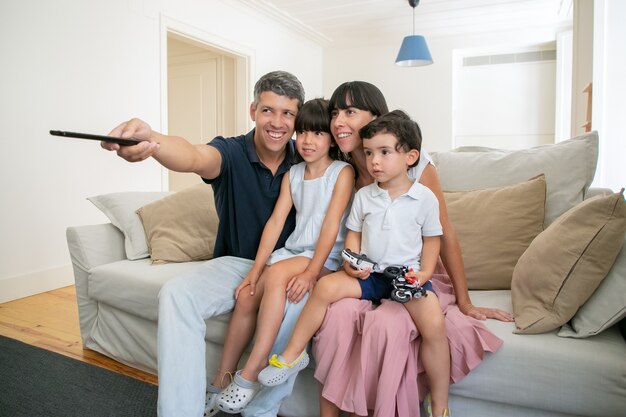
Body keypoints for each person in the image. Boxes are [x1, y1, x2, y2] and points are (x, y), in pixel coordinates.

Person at [102, 71, 312, 417]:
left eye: (287, 113)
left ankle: (254, 404)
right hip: (235, 264)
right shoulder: (230, 152)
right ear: (253, 111)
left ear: (298, 117)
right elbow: (192, 156)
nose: (277, 122)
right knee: (175, 294)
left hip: (288, 268)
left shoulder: (307, 158)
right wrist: (151, 139)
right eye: (268, 111)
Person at [311, 81, 513, 417]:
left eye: (350, 112)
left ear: (377, 118)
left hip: (413, 269)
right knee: (337, 316)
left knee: (399, 324)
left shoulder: (414, 167)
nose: (338, 122)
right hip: (368, 271)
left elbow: (442, 234)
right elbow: (343, 232)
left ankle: (431, 403)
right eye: (334, 113)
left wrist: (465, 301)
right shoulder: (340, 169)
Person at [258, 110, 452, 416]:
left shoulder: (424, 198)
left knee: (434, 327)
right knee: (324, 287)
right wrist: (351, 263)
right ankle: (293, 354)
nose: (374, 161)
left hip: (406, 278)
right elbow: (352, 237)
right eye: (370, 153)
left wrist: (424, 272)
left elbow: (432, 241)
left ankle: (440, 404)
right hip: (371, 275)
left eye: (385, 153)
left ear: (411, 157)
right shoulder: (364, 196)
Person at [207, 98, 354, 415]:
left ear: (331, 138)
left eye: (317, 133)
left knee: (277, 276)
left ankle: (253, 370)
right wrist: (255, 271)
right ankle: (220, 380)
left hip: (325, 258)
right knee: (247, 297)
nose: (307, 141)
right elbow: (275, 224)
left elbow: (331, 226)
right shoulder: (293, 174)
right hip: (295, 252)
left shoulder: (342, 173)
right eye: (301, 132)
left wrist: (312, 273)